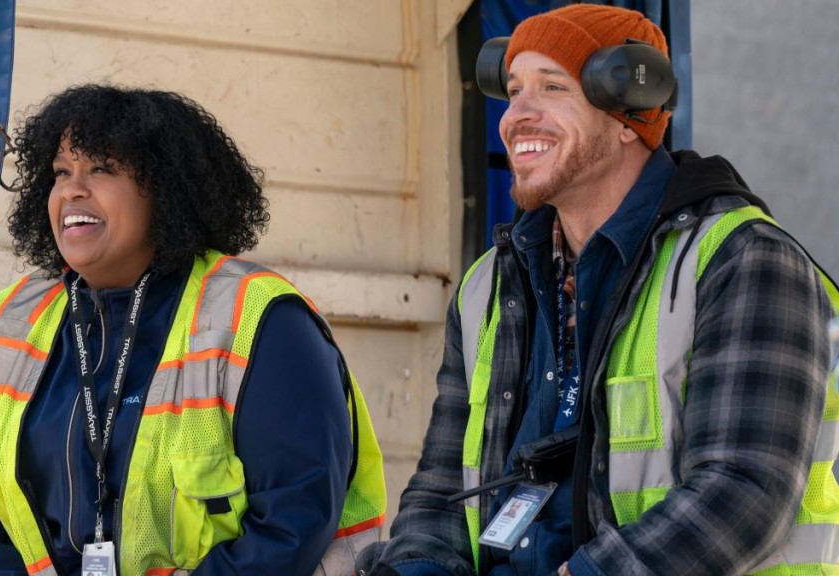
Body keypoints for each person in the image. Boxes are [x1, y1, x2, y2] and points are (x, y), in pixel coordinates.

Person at [356, 5, 839, 576]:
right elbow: (440, 490)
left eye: (551, 87)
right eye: (513, 91)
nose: (516, 117)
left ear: (628, 115)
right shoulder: (488, 282)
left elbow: (742, 495)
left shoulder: (744, 260)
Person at [0, 84, 387, 575]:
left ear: (168, 188)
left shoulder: (261, 318)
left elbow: (291, 522)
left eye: (101, 169)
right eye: (62, 172)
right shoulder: (8, 318)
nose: (71, 190)